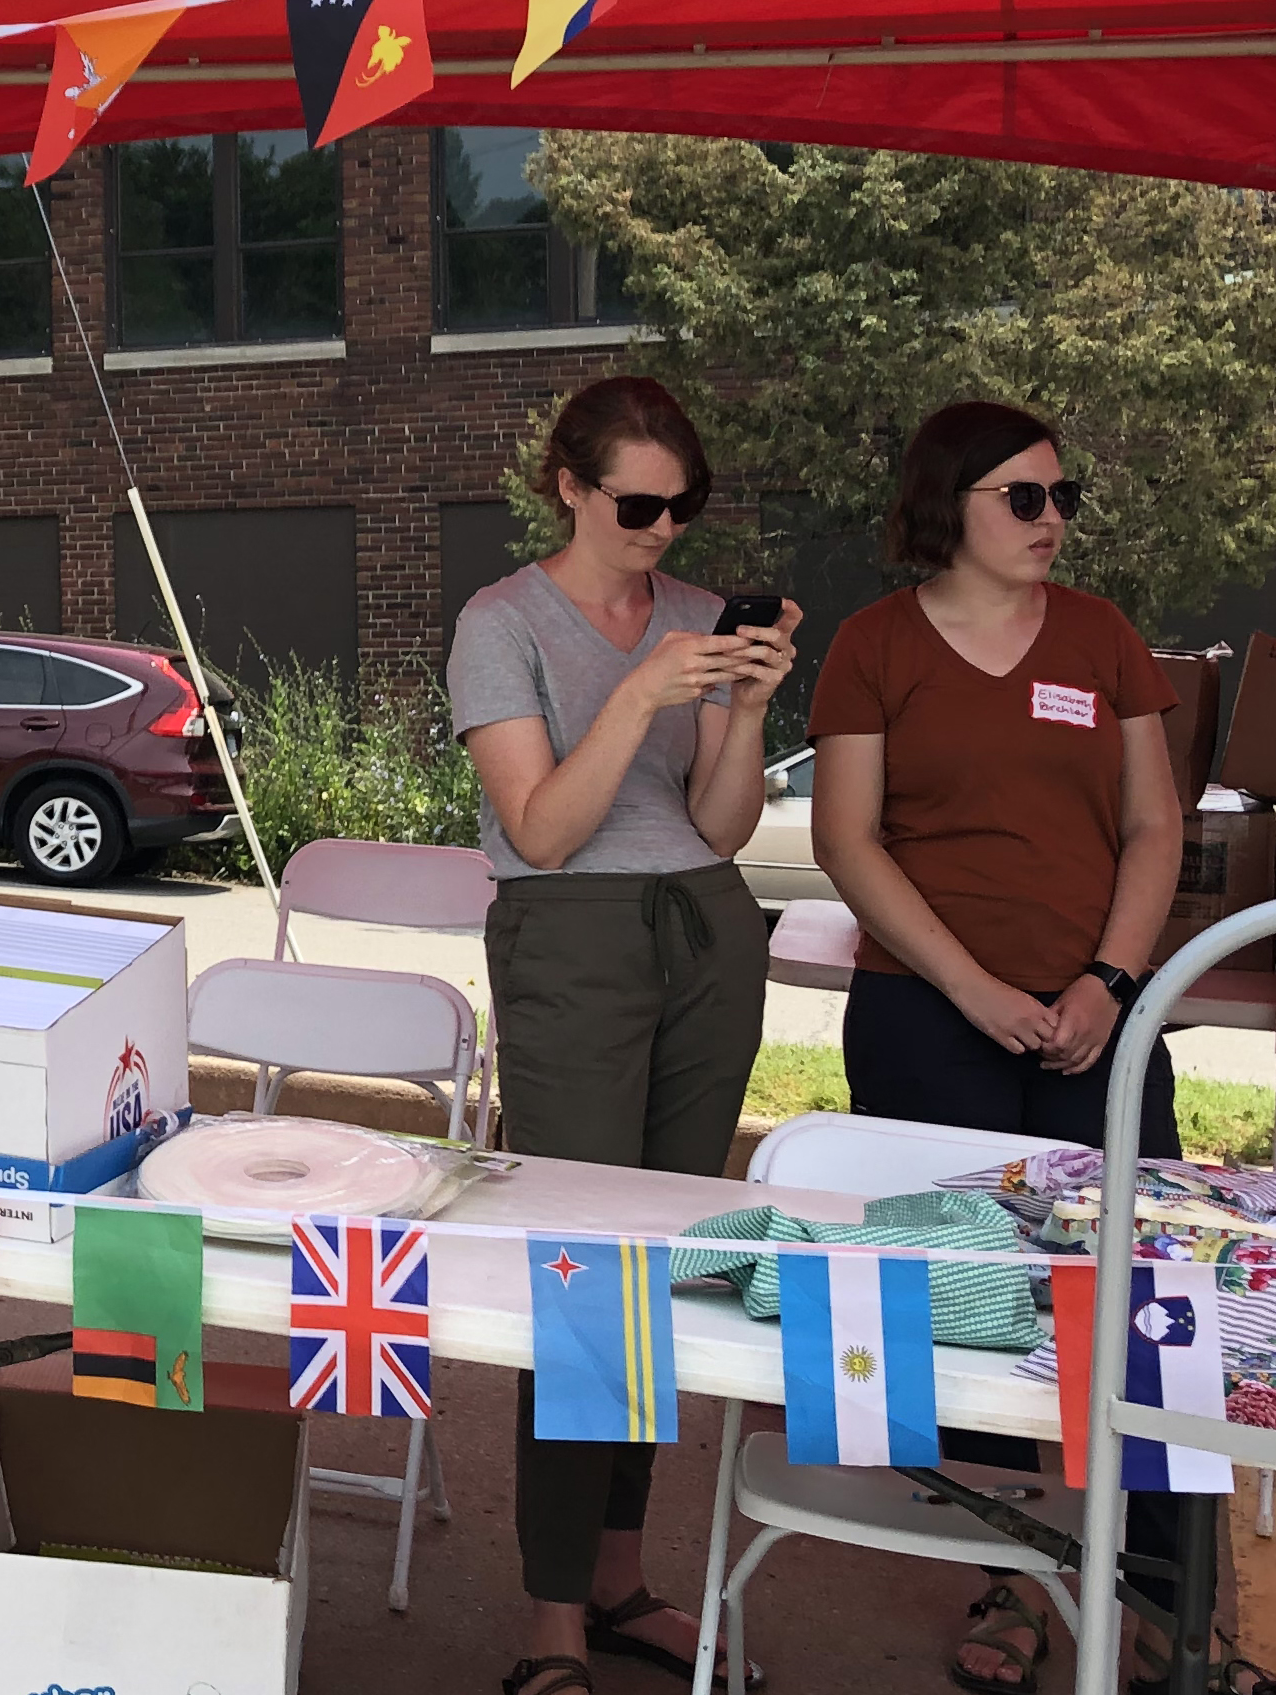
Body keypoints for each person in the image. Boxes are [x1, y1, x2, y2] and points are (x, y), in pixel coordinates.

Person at [808, 398, 1186, 1693]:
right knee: (976, 1310)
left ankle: (1161, 1599)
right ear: (948, 504)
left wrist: (1109, 981)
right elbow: (848, 839)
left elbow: (1155, 826)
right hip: (931, 1019)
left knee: (1143, 1298)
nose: (1053, 520)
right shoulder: (872, 647)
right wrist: (967, 986)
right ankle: (1016, 1574)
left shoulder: (1103, 636)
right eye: (1025, 497)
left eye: (1063, 496)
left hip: (1097, 1019)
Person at [447, 375, 797, 1695]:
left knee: (667, 1271)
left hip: (703, 924)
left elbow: (715, 826)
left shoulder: (698, 617)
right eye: (639, 504)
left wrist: (748, 699)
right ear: (570, 489)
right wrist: (644, 689)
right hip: (572, 931)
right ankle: (550, 1613)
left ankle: (617, 1575)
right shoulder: (503, 622)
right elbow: (540, 828)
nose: (663, 529)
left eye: (682, 505)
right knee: (581, 1276)